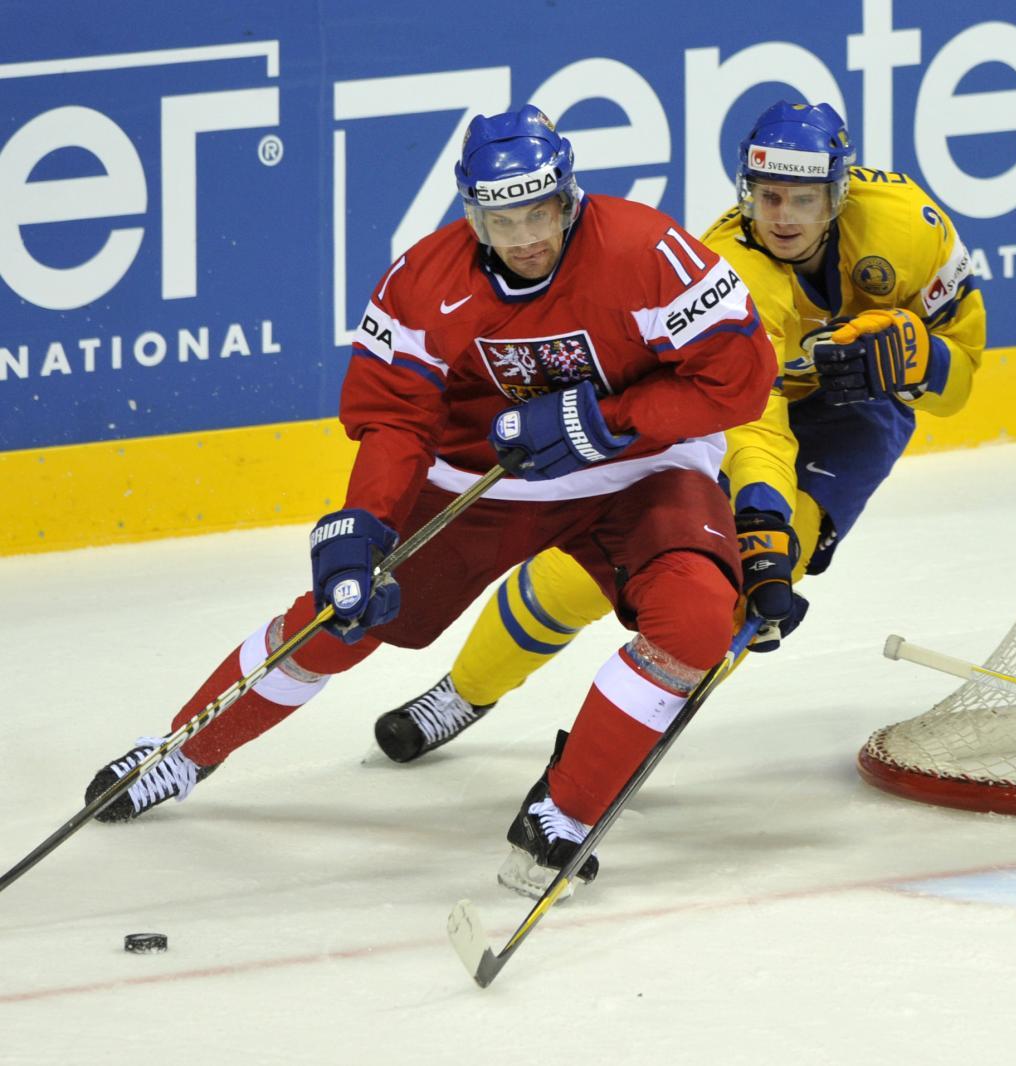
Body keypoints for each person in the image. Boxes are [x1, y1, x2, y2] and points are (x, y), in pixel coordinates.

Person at [84, 105, 776, 899]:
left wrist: (607, 420)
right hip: (483, 478)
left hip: (639, 471)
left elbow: (740, 378)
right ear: (470, 212)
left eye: (540, 212)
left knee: (695, 621)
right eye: (499, 216)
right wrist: (365, 525)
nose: (523, 236)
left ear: (569, 197)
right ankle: (183, 747)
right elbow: (395, 417)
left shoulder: (650, 252)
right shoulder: (421, 280)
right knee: (342, 611)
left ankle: (566, 811)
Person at [369, 100, 986, 764]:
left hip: (856, 419)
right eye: (768, 195)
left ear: (838, 193)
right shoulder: (730, 264)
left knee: (752, 591)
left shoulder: (910, 226)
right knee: (587, 569)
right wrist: (759, 513)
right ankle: (463, 691)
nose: (781, 216)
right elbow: (754, 415)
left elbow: (962, 378)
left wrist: (927, 360)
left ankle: (624, 741)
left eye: (803, 199)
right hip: (743, 414)